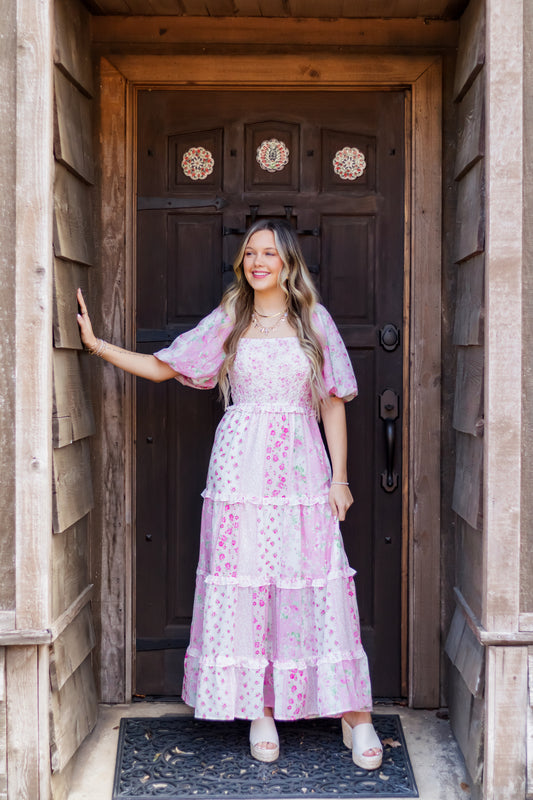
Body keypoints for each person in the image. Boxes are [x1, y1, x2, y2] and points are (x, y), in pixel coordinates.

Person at [77, 219, 382, 770]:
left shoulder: (315, 321)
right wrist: (99, 346)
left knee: (318, 579)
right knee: (250, 584)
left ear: (289, 263)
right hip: (239, 472)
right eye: (249, 253)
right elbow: (162, 367)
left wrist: (340, 478)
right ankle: (261, 709)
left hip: (300, 468)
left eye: (269, 253)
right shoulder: (231, 320)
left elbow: (333, 400)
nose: (257, 262)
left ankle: (353, 714)